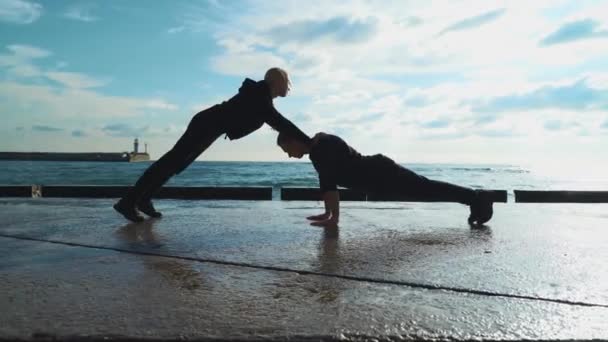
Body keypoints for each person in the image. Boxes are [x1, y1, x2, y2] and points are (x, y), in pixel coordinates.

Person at [114, 67, 311, 222]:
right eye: (288, 81)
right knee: (170, 162)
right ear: (278, 81)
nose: (289, 86)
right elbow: (281, 123)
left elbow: (277, 123)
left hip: (210, 127)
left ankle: (144, 199)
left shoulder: (262, 96)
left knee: (175, 165)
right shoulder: (260, 95)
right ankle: (128, 202)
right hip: (206, 124)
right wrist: (309, 142)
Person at [276, 132, 494, 227]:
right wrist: (328, 213)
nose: (287, 154)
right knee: (427, 189)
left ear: (294, 141)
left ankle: (477, 198)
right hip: (379, 175)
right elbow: (327, 184)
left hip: (382, 173)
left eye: (286, 149)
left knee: (427, 189)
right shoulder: (318, 149)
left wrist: (334, 218)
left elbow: (331, 187)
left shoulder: (321, 148)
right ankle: (474, 199)